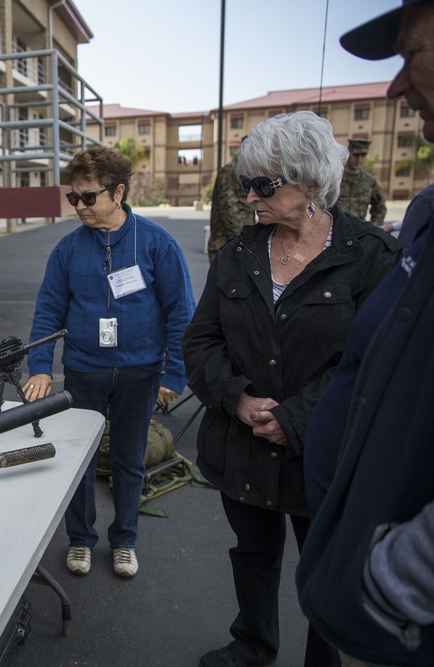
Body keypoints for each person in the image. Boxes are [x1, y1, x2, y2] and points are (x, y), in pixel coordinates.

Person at [182, 111, 401, 667]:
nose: (250, 196)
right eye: (246, 184)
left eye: (264, 185)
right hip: (243, 445)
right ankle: (252, 647)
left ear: (309, 184)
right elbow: (200, 342)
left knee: (323, 565)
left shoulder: (372, 256)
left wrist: (297, 416)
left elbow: (375, 361)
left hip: (323, 452)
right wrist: (237, 397)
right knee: (252, 553)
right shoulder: (238, 253)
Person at [298, 2, 434, 665]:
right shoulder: (429, 219)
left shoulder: (367, 238)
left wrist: (394, 580)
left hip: (396, 622)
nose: (395, 86)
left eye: (412, 53)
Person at [23, 145, 195, 579]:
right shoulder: (67, 250)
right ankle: (80, 539)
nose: (79, 206)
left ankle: (125, 540)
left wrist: (174, 373)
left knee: (129, 459)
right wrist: (41, 366)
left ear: (118, 192)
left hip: (142, 374)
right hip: (84, 371)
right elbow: (48, 311)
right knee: (78, 458)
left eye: (89, 197)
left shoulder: (157, 244)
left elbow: (181, 314)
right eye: (73, 198)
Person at [208, 142, 256, 261]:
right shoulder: (230, 171)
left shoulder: (249, 170)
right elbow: (228, 208)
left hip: (240, 242)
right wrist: (244, 241)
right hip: (226, 244)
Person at [337, 138, 387, 226]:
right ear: (349, 154)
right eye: (356, 155)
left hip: (358, 231)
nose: (359, 160)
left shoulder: (369, 181)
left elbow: (380, 207)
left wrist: (374, 227)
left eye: (363, 155)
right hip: (335, 230)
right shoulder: (335, 177)